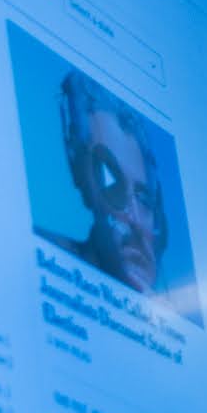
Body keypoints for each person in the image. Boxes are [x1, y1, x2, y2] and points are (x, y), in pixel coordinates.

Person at [36, 70, 168, 294]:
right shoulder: (40, 253)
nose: (134, 219)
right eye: (113, 185)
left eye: (144, 198)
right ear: (82, 178)